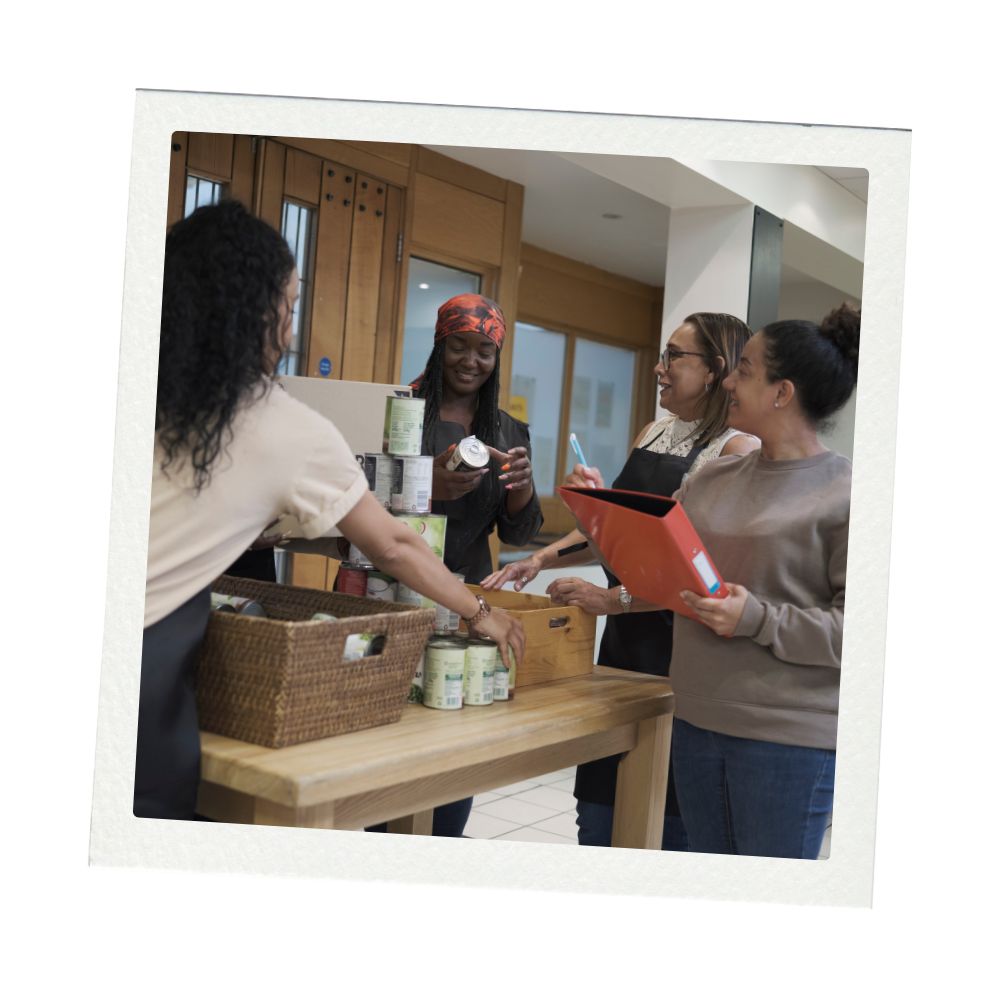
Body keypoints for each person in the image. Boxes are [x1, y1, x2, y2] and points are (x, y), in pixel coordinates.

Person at [136, 201, 524, 821]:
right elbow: (393, 545)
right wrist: (482, 612)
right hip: (143, 663)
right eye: (289, 307)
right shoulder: (282, 422)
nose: (290, 330)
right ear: (257, 313)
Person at [482, 312, 758, 849]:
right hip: (623, 646)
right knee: (599, 810)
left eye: (674, 357)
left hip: (679, 653)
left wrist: (613, 597)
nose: (659, 368)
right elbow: (622, 534)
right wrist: (542, 559)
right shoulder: (654, 432)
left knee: (664, 819)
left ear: (714, 370)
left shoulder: (736, 450)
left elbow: (706, 574)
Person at [669, 303, 860, 859]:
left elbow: (864, 633)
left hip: (788, 739)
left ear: (783, 393)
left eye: (745, 369)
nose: (727, 380)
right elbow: (668, 559)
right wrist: (602, 512)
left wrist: (756, 618)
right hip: (695, 717)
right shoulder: (714, 478)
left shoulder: (849, 492)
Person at [376, 293, 542, 837]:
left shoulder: (508, 432)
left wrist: (521, 490)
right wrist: (430, 484)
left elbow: (519, 534)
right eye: (459, 347)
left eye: (485, 351)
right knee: (383, 743)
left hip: (469, 604)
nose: (471, 361)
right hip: (387, 590)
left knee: (454, 738)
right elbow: (362, 503)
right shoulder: (400, 410)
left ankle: (444, 845)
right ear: (439, 346)